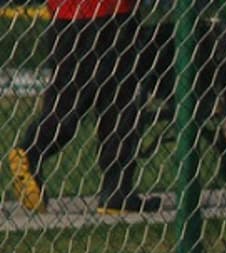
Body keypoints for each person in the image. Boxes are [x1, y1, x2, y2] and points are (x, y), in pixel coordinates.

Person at [7, 0, 160, 215]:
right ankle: (33, 150)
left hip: (66, 18)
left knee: (72, 99)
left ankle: (116, 191)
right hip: (111, 14)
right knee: (120, 102)